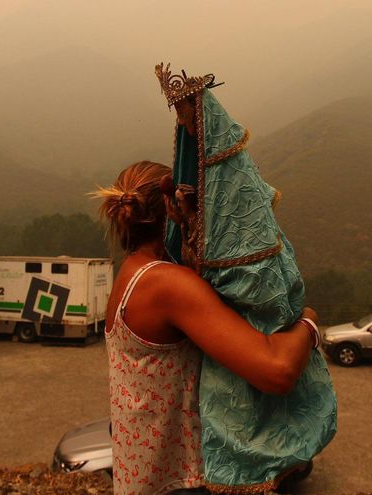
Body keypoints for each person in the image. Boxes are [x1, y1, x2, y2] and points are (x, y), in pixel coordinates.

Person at [154, 63, 337, 493]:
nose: (184, 125)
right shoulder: (190, 188)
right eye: (179, 118)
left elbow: (259, 264)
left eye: (188, 116)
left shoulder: (233, 183)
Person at [93, 160, 321, 495]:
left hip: (143, 481)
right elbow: (278, 371)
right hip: (181, 485)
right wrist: (309, 323)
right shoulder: (167, 284)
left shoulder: (132, 274)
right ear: (170, 205)